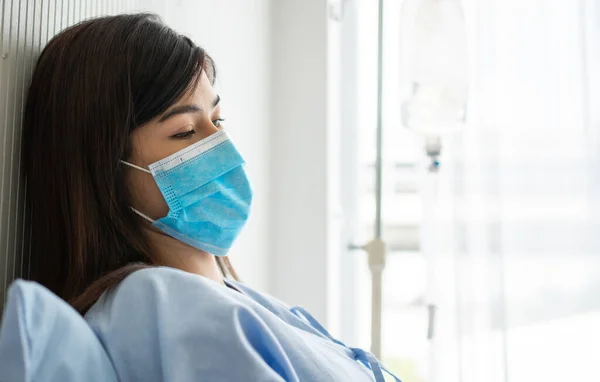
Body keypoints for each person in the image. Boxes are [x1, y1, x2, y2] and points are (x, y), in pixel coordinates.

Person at [22, 13, 400, 382]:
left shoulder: (227, 295)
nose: (224, 150)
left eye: (216, 121)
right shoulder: (158, 302)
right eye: (185, 131)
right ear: (103, 167)